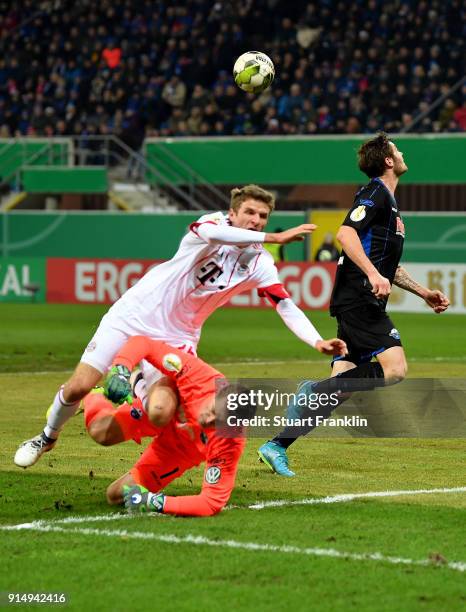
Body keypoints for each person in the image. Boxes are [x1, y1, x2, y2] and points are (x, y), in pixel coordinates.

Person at [15, 184, 347, 468]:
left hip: (178, 338)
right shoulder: (212, 226)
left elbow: (284, 304)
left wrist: (317, 341)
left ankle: (132, 387)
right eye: (250, 212)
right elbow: (215, 233)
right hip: (134, 314)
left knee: (162, 413)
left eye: (263, 216)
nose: (256, 220)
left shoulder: (260, 262)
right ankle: (47, 436)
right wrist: (273, 234)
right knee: (77, 387)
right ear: (232, 213)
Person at [258, 132, 450, 476]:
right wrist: (374, 275)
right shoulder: (375, 192)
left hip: (360, 296)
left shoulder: (388, 202)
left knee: (344, 384)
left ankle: (277, 445)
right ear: (388, 161)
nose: (403, 153)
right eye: (397, 150)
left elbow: (389, 266)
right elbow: (346, 235)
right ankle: (313, 390)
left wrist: (423, 292)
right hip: (359, 297)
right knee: (395, 369)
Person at [84, 336, 248, 517]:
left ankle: (138, 384)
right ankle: (94, 394)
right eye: (212, 411)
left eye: (216, 423)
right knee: (100, 432)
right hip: (166, 408)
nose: (207, 420)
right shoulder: (200, 376)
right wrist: (121, 368)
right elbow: (144, 343)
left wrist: (156, 502)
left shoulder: (231, 442)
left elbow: (210, 503)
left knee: (116, 495)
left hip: (179, 449)